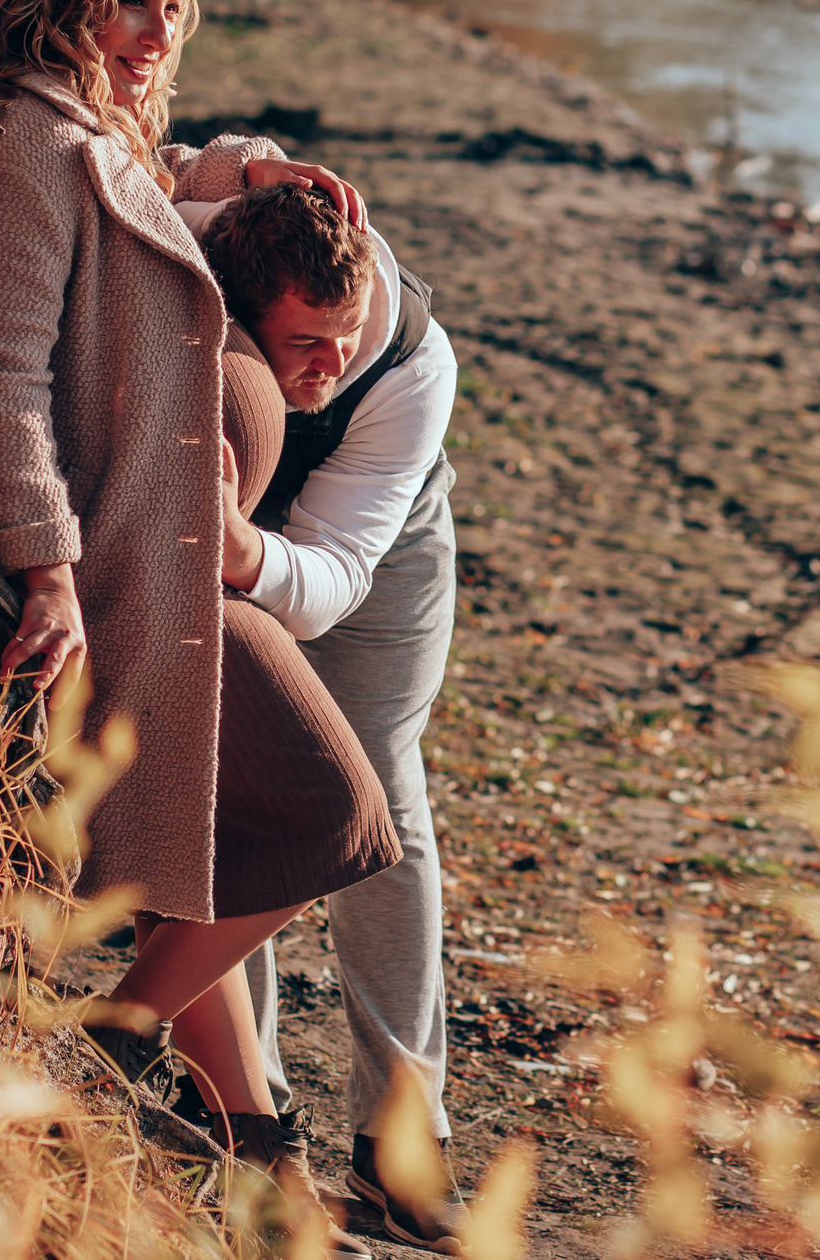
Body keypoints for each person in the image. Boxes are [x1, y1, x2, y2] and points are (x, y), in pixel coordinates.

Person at [0, 0, 394, 1209]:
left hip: (183, 566)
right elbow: (0, 369)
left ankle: (244, 1139)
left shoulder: (108, 129)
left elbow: (161, 175)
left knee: (249, 834)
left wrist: (253, 164)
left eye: (174, 5)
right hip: (126, 572)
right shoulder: (24, 145)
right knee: (337, 813)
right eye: (129, 0)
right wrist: (48, 568)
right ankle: (111, 1050)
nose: (154, 30)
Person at [179, 183, 464, 1252]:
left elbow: (335, 574)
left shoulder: (406, 369)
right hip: (206, 502)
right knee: (223, 799)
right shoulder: (199, 251)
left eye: (343, 341)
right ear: (239, 314)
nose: (327, 366)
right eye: (303, 344)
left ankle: (403, 1150)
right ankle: (250, 1131)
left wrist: (244, 549)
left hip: (369, 550)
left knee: (378, 803)